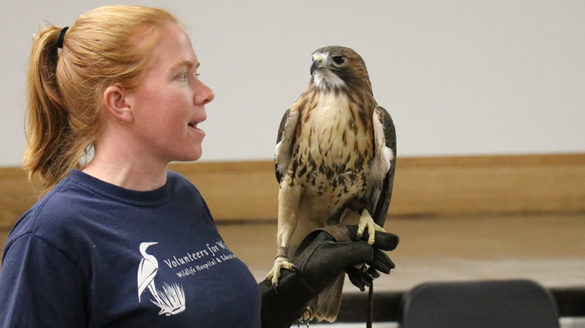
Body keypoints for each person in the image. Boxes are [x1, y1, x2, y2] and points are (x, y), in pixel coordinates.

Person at [0, 5, 398, 327]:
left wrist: (297, 287)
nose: (206, 93)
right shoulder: (50, 238)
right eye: (183, 76)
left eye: (199, 73)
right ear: (120, 102)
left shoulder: (182, 198)